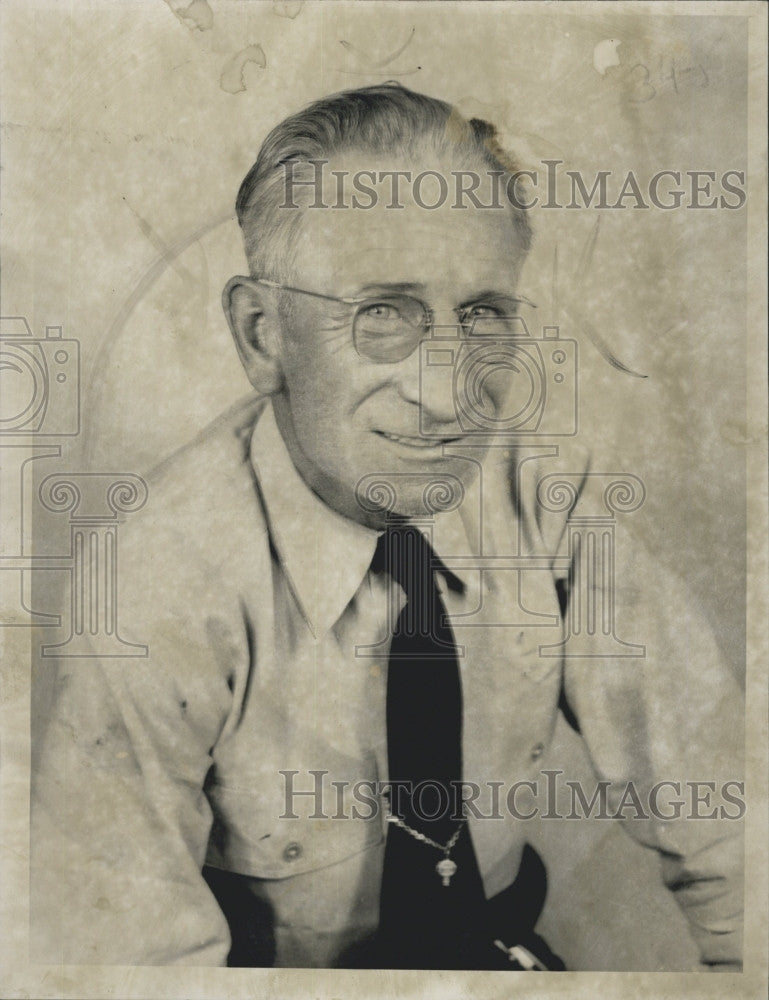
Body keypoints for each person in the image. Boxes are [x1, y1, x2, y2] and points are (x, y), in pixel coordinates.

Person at [31, 83, 743, 970]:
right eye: (382, 315)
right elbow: (127, 969)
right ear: (262, 336)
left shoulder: (544, 499)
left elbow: (732, 824)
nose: (446, 393)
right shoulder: (150, 585)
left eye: (481, 315)